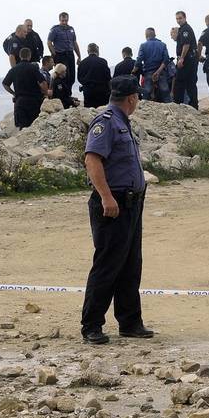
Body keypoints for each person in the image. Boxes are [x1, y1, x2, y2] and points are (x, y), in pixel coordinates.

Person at [81, 75, 153, 345]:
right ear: (131, 98)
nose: (138, 102)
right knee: (108, 265)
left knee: (131, 264)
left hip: (132, 203)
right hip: (114, 204)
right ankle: (91, 325)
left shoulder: (123, 123)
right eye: (137, 97)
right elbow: (92, 160)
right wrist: (106, 197)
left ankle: (130, 322)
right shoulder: (107, 123)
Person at [2, 47, 48, 129]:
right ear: (29, 56)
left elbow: (5, 84)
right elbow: (43, 82)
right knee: (34, 127)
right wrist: (45, 94)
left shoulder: (14, 69)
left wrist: (13, 93)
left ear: (20, 56)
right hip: (33, 102)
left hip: (20, 101)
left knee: (22, 128)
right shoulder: (33, 68)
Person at [132, 28, 170, 102]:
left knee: (147, 93)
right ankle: (171, 111)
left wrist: (133, 71)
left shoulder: (143, 45)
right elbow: (166, 60)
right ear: (155, 35)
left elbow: (139, 60)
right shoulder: (163, 45)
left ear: (146, 35)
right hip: (161, 72)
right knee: (165, 93)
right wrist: (158, 72)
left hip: (148, 72)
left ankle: (143, 111)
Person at [48, 12, 82, 90]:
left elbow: (74, 43)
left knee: (72, 76)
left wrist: (79, 56)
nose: (64, 22)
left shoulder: (71, 29)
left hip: (70, 54)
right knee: (62, 76)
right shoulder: (55, 30)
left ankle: (68, 93)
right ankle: (61, 94)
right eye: (62, 21)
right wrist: (54, 54)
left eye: (66, 20)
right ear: (59, 20)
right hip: (60, 55)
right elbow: (49, 42)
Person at [173, 11, 199, 109]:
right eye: (177, 18)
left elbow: (186, 45)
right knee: (190, 83)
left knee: (180, 82)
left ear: (185, 18)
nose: (178, 20)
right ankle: (193, 105)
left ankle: (178, 104)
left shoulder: (185, 29)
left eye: (180, 18)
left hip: (187, 60)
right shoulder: (182, 29)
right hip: (190, 60)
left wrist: (182, 59)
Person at [78, 43, 112, 108]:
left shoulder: (82, 63)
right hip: (102, 92)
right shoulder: (103, 61)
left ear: (88, 51)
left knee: (90, 113)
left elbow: (79, 78)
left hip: (88, 92)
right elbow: (108, 77)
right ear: (97, 51)